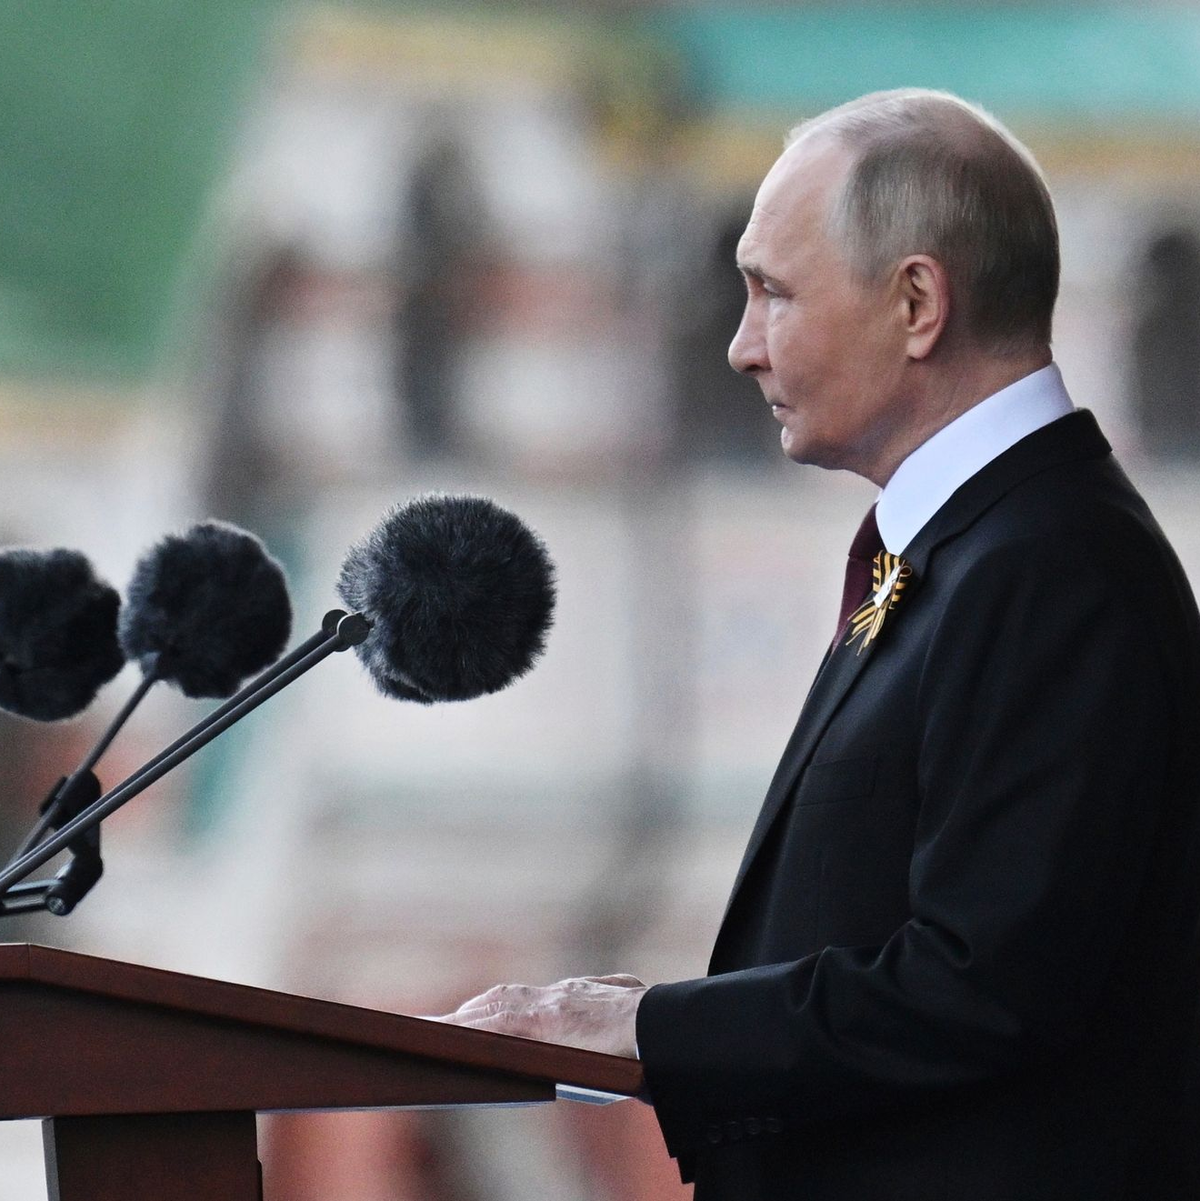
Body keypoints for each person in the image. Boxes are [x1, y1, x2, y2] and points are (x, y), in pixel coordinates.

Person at [439, 90, 1200, 1200]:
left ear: (917, 302)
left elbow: (984, 991)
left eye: (772, 294)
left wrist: (651, 1028)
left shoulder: (1052, 570)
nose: (743, 348)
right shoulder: (968, 548)